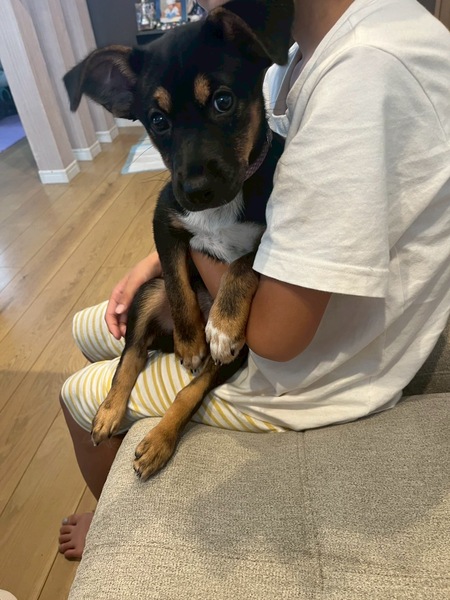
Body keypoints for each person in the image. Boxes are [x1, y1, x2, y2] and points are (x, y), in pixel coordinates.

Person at [58, 0, 450, 559]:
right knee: (91, 326)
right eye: (161, 123)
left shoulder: (361, 76)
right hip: (282, 294)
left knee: (76, 395)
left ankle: (110, 527)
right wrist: (168, 256)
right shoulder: (303, 45)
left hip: (312, 370)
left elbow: (272, 336)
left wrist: (193, 246)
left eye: (221, 103)